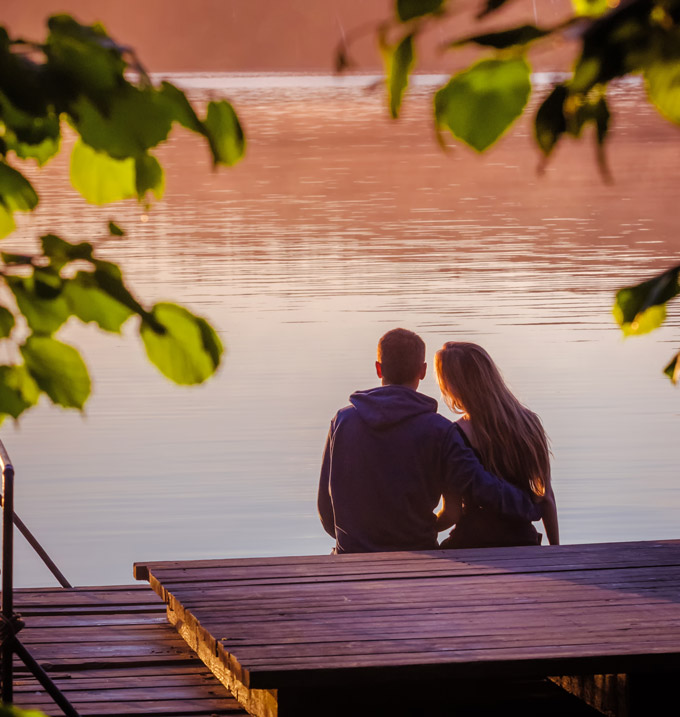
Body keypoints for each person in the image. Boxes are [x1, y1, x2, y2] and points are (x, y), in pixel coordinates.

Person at [317, 328, 542, 554]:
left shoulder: (342, 421)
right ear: (423, 371)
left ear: (378, 368)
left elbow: (326, 509)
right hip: (418, 555)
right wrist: (530, 504)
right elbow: (478, 487)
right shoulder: (441, 431)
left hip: (352, 556)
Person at [434, 341, 559, 548]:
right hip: (523, 539)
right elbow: (546, 497)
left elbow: (452, 513)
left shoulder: (454, 434)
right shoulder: (529, 422)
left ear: (453, 384)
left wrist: (422, 527)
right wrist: (555, 549)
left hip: (472, 543)